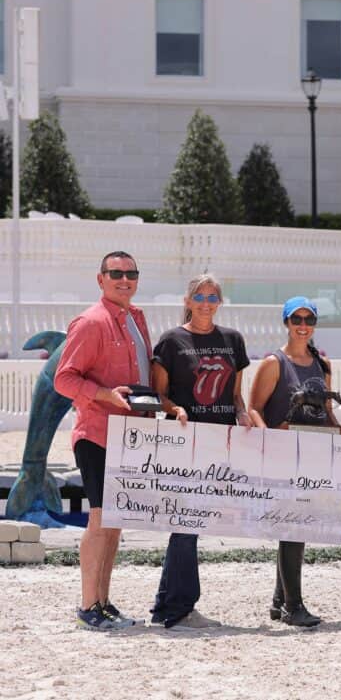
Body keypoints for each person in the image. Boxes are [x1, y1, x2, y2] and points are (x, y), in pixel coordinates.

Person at [54, 251, 152, 630]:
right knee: (98, 521)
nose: (124, 280)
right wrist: (105, 394)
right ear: (101, 279)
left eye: (131, 274)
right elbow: (64, 379)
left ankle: (104, 603)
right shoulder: (90, 322)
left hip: (131, 437)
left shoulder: (136, 319)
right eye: (116, 273)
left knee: (114, 523)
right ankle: (87, 607)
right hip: (97, 434)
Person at [148, 274, 251, 629]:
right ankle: (180, 608)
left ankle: (167, 606)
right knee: (187, 521)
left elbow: (235, 395)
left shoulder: (232, 340)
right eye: (200, 297)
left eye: (212, 297)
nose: (206, 303)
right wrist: (175, 409)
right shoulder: (171, 341)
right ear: (188, 301)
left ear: (219, 302)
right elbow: (159, 394)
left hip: (220, 441)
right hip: (184, 442)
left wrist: (242, 413)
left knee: (190, 522)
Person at [249, 297, 341, 627]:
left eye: (309, 320)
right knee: (293, 524)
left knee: (297, 525)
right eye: (296, 319)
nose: (303, 326)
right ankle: (294, 606)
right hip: (284, 454)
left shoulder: (323, 364)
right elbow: (254, 408)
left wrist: (339, 431)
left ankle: (280, 602)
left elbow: (327, 410)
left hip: (314, 453)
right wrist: (267, 437)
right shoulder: (273, 363)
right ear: (286, 323)